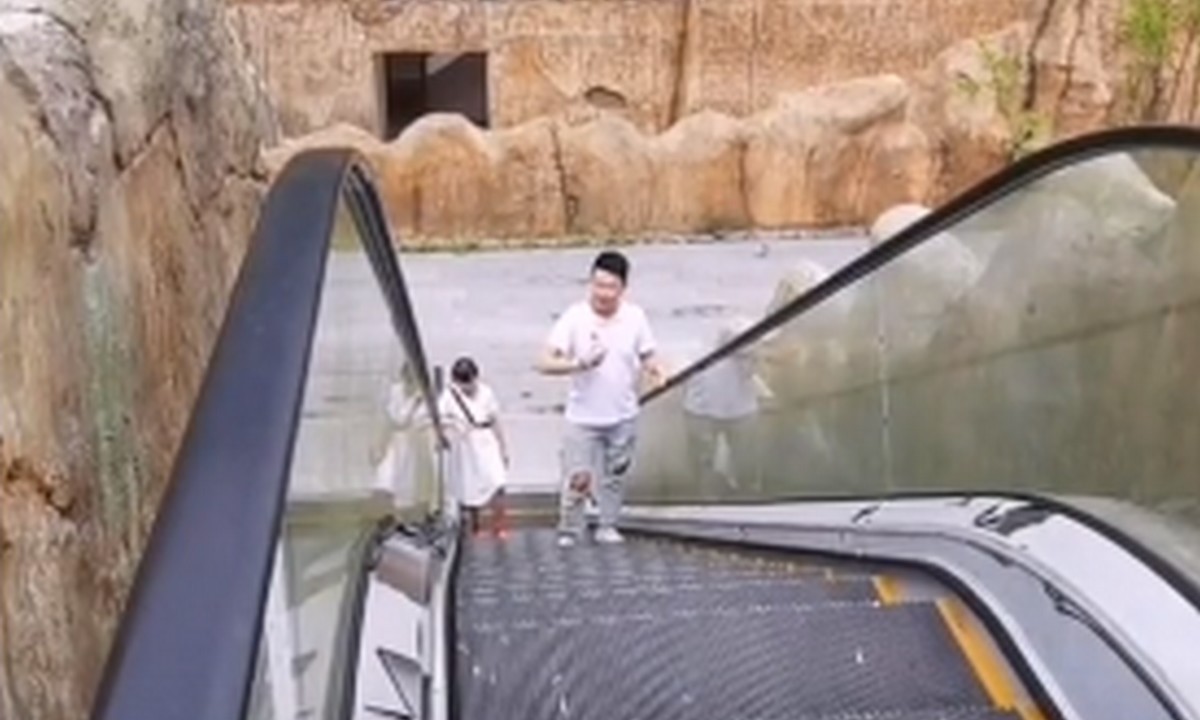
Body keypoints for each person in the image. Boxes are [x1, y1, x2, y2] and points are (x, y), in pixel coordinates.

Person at [536, 250, 664, 546]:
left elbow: (648, 354)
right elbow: (544, 361)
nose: (603, 294)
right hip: (583, 416)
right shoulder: (575, 317)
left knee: (615, 475)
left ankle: (608, 524)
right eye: (598, 285)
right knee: (578, 478)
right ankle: (570, 529)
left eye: (611, 287)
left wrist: (656, 370)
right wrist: (578, 364)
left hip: (623, 414)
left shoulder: (635, 317)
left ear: (623, 289)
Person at [682, 317, 766, 495]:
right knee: (703, 465)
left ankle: (748, 495)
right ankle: (705, 499)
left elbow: (752, 362)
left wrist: (750, 353)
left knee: (747, 466)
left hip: (740, 410)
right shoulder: (687, 324)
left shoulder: (742, 321)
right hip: (701, 410)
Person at [438, 357, 510, 538]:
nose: (467, 387)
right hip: (465, 444)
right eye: (463, 383)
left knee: (497, 481)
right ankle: (475, 527)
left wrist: (503, 448)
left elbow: (495, 420)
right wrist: (452, 428)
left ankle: (499, 525)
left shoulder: (486, 392)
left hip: (485, 439)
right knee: (470, 485)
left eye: (469, 382)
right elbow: (441, 420)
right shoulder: (450, 395)